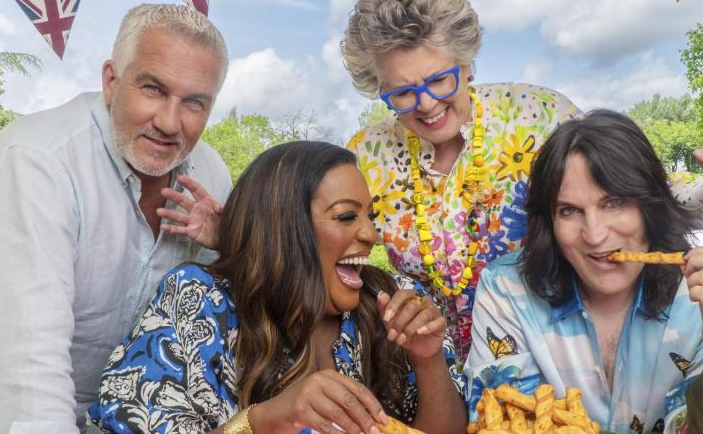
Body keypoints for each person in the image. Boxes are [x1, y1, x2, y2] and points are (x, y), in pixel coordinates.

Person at [340, 0, 703, 360]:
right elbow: (333, 245)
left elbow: (631, 194)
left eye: (440, 80)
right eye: (402, 92)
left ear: (466, 64)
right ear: (376, 87)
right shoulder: (366, 156)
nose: (426, 105)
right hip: (431, 363)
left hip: (552, 359)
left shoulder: (535, 113)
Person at [0, 4, 233, 434]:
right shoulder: (37, 163)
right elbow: (27, 361)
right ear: (111, 81)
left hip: (109, 412)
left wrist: (230, 243)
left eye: (194, 102)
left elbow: (216, 316)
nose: (170, 122)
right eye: (152, 88)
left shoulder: (210, 174)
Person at [89, 141, 467, 434]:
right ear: (285, 227)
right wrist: (265, 420)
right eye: (347, 216)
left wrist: (428, 358)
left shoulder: (388, 302)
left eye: (370, 216)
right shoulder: (198, 300)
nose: (370, 234)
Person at [465, 110, 703, 433]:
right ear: (549, 223)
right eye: (569, 210)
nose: (594, 235)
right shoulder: (506, 290)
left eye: (614, 203)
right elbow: (502, 420)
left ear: (651, 206)